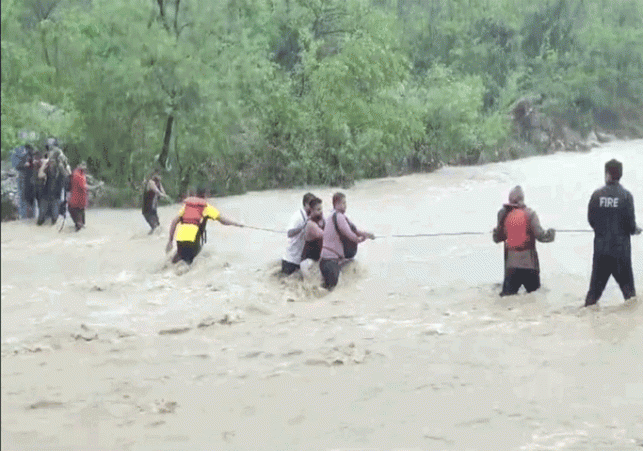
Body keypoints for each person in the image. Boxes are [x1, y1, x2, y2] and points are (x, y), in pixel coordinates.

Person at [585, 159, 641, 307]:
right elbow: (630, 225)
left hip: (601, 252)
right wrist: (635, 230)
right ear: (620, 175)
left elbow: (591, 221)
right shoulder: (626, 196)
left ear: (607, 174)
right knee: (630, 297)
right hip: (621, 253)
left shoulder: (596, 195)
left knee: (592, 297)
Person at [492, 186, 555, 296]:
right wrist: (551, 233)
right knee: (536, 297)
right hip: (529, 266)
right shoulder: (530, 214)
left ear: (510, 199)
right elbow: (541, 236)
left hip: (511, 267)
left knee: (507, 300)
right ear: (522, 199)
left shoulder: (503, 214)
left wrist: (494, 232)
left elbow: (497, 238)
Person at [166, 187, 244, 264]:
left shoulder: (187, 206)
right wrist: (237, 224)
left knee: (178, 259)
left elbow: (174, 221)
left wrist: (170, 240)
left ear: (196, 195)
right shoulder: (207, 207)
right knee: (192, 262)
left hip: (180, 238)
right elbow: (223, 220)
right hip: (192, 239)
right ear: (206, 195)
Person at [319, 192, 375, 290]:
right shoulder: (338, 216)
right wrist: (360, 240)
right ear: (336, 204)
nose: (345, 206)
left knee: (329, 291)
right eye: (343, 203)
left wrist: (367, 235)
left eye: (346, 203)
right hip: (330, 262)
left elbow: (355, 231)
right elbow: (350, 235)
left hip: (330, 261)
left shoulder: (336, 217)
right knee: (331, 292)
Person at [281, 192, 316, 275]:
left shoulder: (310, 216)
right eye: (311, 204)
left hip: (299, 260)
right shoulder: (297, 216)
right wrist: (302, 227)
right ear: (306, 204)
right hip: (290, 260)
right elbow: (289, 233)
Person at [36, 144, 71, 226]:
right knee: (43, 219)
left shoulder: (60, 168)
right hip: (47, 195)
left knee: (51, 219)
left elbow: (68, 175)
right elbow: (40, 175)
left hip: (54, 196)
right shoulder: (50, 167)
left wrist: (65, 165)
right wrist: (45, 164)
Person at [10, 143, 36, 219]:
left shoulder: (29, 156)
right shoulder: (24, 156)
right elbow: (18, 166)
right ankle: (27, 216)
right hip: (26, 179)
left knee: (27, 198)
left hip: (29, 180)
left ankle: (29, 216)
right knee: (26, 198)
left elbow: (18, 166)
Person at [301, 196, 326, 262]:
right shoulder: (310, 224)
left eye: (321, 209)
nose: (321, 211)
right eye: (318, 209)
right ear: (311, 210)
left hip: (317, 258)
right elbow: (325, 235)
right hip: (308, 260)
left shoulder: (321, 220)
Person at [67, 162, 88, 231]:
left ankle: (78, 227)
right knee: (79, 222)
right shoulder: (78, 175)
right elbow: (83, 186)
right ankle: (79, 227)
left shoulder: (78, 173)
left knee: (80, 221)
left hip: (78, 201)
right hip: (77, 201)